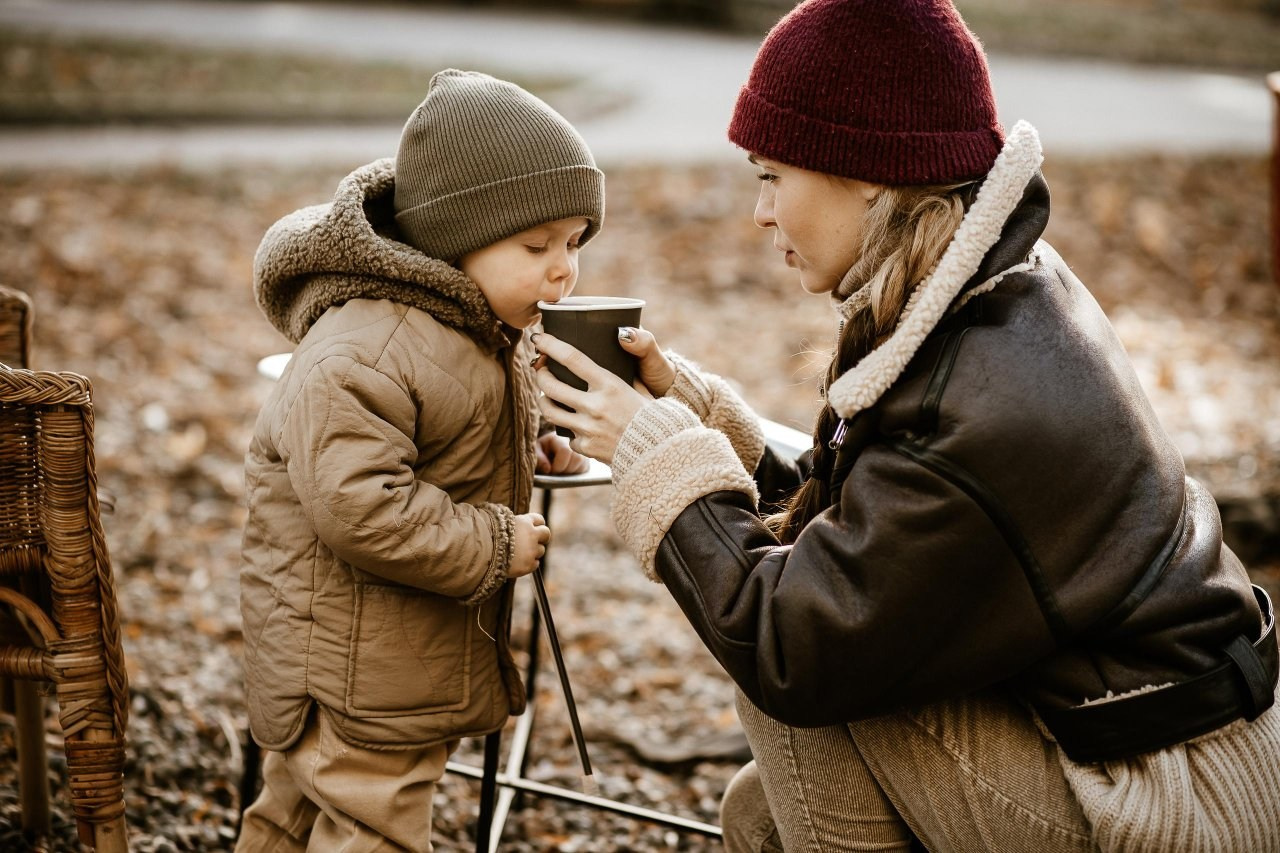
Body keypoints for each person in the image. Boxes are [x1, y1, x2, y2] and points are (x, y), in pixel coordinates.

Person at [530, 1, 1280, 850]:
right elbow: (883, 536)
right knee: (757, 818)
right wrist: (704, 419)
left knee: (791, 679)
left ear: (871, 173)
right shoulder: (989, 291)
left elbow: (790, 641)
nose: (760, 212)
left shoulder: (986, 393)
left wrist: (658, 453)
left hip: (1171, 801)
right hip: (1149, 742)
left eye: (772, 175)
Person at [235, 69, 599, 852]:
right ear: (449, 240)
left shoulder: (461, 324)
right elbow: (360, 503)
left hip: (375, 655)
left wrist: (525, 446)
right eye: (536, 245)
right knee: (376, 825)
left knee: (294, 818)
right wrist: (497, 543)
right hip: (356, 667)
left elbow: (441, 436)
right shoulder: (368, 345)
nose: (564, 268)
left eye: (573, 243)